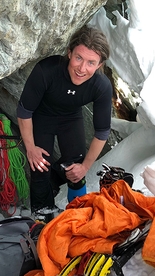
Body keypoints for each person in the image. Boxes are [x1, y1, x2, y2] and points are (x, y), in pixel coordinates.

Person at [17, 25, 112, 222]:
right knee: (40, 167)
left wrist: (85, 167)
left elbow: (102, 131)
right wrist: (30, 148)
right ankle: (41, 218)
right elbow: (24, 111)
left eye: (91, 63)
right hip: (42, 117)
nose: (82, 68)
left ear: (99, 65)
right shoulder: (47, 70)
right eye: (79, 58)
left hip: (71, 118)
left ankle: (78, 216)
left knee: (75, 169)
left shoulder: (101, 86)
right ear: (69, 53)